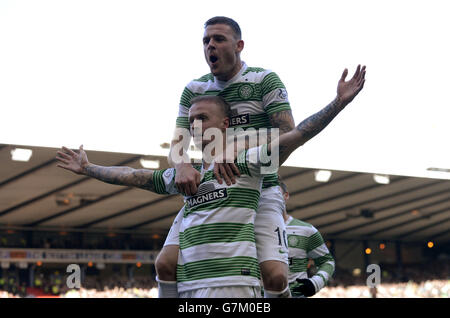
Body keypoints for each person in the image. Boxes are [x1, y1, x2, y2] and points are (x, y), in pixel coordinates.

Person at [56, 65, 366, 297]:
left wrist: (338, 103)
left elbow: (296, 135)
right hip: (195, 288)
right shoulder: (186, 175)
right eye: (191, 120)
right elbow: (135, 176)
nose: (194, 125)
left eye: (202, 118)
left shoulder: (245, 162)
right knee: (164, 263)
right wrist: (88, 167)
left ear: (225, 123)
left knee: (274, 276)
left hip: (236, 286)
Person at [159, 16, 296, 298]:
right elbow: (178, 141)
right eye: (206, 40)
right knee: (165, 263)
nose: (211, 45)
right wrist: (183, 165)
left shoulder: (263, 80)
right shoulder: (195, 89)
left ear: (239, 45)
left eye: (219, 39)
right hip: (210, 188)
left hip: (258, 185)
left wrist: (239, 146)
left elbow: (287, 132)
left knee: (276, 276)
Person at [278, 180, 335, 298]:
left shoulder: (306, 230)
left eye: (276, 194)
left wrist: (316, 283)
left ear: (286, 196)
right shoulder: (250, 229)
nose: (271, 199)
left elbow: (326, 261)